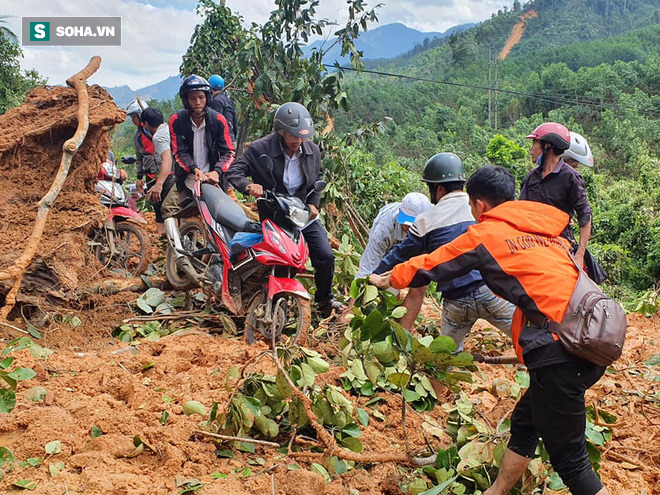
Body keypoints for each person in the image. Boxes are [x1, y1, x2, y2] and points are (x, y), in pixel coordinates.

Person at [370, 165, 609, 495]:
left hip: (559, 353)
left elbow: (435, 263)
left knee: (572, 463)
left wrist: (389, 277)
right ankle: (496, 491)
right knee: (526, 422)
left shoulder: (488, 234)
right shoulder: (548, 235)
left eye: (471, 205)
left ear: (480, 204)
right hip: (591, 340)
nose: (471, 211)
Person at [371, 153, 514, 350]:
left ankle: (404, 353)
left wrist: (375, 275)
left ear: (438, 188)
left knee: (444, 358)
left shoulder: (425, 220)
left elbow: (400, 254)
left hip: (455, 301)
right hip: (491, 291)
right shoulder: (480, 207)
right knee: (532, 338)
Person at [225, 101, 344, 318]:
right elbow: (234, 172)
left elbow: (317, 179)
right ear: (280, 132)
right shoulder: (260, 149)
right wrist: (249, 186)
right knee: (281, 260)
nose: (298, 142)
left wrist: (313, 203)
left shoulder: (312, 150)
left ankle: (325, 300)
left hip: (301, 214)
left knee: (325, 256)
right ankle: (275, 306)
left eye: (302, 137)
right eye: (292, 136)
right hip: (275, 214)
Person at [161, 75, 235, 267]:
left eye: (201, 97)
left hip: (213, 180)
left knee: (222, 218)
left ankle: (222, 258)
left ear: (208, 97)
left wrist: (217, 172)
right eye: (193, 98)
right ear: (186, 99)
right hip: (187, 178)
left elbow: (228, 151)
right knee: (167, 209)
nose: (197, 102)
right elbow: (179, 151)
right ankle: (178, 253)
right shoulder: (177, 120)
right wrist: (194, 170)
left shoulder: (218, 120)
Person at [520, 122, 592, 271]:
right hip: (531, 247)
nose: (531, 149)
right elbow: (521, 212)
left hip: (559, 249)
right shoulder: (531, 178)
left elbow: (585, 216)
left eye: (534, 143)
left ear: (548, 146)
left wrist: (580, 255)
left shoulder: (570, 178)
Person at [354, 192, 431, 279]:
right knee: (375, 273)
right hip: (387, 234)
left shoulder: (430, 228)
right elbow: (368, 267)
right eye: (408, 225)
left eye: (414, 226)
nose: (411, 229)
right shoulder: (384, 230)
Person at [140, 107, 175, 235]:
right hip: (174, 175)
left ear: (146, 124)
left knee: (164, 209)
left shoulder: (158, 137)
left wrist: (159, 184)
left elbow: (167, 159)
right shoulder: (168, 130)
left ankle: (167, 239)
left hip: (167, 177)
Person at [125, 99, 157, 200]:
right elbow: (139, 157)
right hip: (150, 175)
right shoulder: (138, 136)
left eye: (134, 117)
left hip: (166, 174)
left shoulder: (158, 130)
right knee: (155, 203)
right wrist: (139, 178)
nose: (133, 120)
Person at [209, 74, 238, 145]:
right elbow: (234, 121)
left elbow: (216, 123)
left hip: (223, 141)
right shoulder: (228, 100)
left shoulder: (215, 101)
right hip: (231, 138)